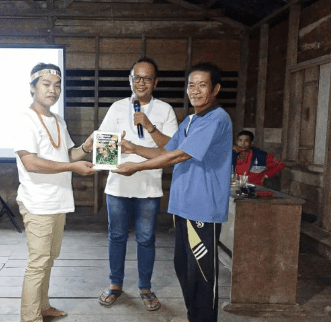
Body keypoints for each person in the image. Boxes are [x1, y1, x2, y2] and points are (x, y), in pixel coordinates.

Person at [113, 63, 232, 322]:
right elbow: (167, 150)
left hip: (203, 208)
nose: (196, 90)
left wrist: (137, 167)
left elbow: (180, 155)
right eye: (191, 84)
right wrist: (133, 148)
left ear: (216, 89)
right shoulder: (191, 120)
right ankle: (193, 317)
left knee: (202, 274)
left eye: (203, 85)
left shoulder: (217, 118)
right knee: (184, 268)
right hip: (182, 206)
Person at [14, 63, 97, 322]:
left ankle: (43, 306)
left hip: (58, 201)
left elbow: (66, 155)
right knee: (38, 262)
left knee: (49, 259)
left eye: (57, 85)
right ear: (32, 87)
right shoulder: (24, 119)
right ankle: (30, 318)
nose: (53, 90)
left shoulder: (58, 120)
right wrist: (73, 166)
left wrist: (86, 146)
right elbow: (31, 163)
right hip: (37, 203)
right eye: (46, 84)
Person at [98, 57, 178, 311]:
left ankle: (145, 287)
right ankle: (115, 285)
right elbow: (104, 148)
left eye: (146, 78)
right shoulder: (117, 107)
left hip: (149, 188)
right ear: (129, 80)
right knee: (116, 236)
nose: (141, 83)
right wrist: (115, 164)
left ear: (155, 82)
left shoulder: (165, 110)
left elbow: (172, 149)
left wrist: (148, 125)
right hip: (118, 185)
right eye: (136, 78)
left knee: (145, 239)